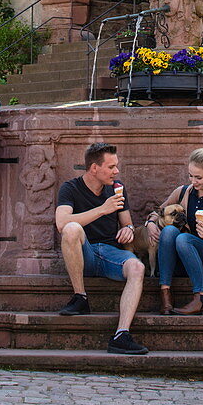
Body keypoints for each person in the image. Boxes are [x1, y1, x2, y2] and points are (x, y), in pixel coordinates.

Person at [56, 141, 148, 355]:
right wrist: (102, 209)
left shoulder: (117, 187)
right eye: (111, 167)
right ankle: (80, 297)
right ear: (94, 168)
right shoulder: (70, 188)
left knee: (137, 268)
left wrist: (129, 229)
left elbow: (127, 223)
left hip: (110, 254)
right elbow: (61, 223)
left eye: (116, 166)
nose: (116, 171)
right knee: (71, 229)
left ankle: (121, 335)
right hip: (84, 253)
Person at [146, 146, 203, 316]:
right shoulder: (183, 192)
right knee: (169, 232)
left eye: (198, 177)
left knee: (183, 239)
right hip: (183, 259)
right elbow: (158, 211)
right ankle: (165, 293)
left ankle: (201, 297)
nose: (193, 181)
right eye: (190, 175)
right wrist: (151, 223)